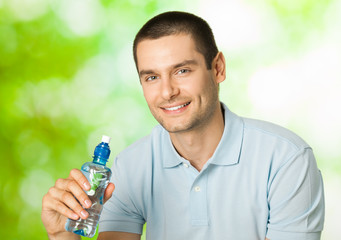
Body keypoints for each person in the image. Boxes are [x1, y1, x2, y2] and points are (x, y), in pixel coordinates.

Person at [41, 11, 325, 240]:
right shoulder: (131, 167)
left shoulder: (286, 159)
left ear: (218, 69)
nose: (167, 92)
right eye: (151, 77)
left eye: (182, 71)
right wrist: (60, 234)